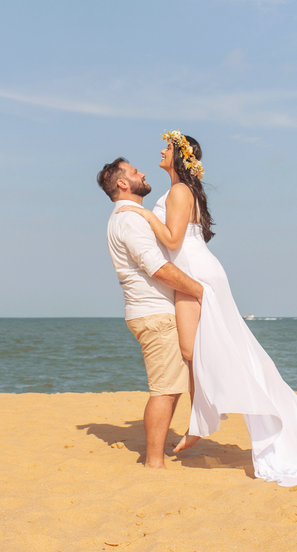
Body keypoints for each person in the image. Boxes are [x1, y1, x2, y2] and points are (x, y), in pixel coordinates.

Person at [113, 131, 297, 489]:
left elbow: (173, 241)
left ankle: (203, 420)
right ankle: (202, 419)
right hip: (197, 269)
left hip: (195, 274)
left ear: (179, 155)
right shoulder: (179, 191)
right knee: (198, 351)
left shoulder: (177, 192)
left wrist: (140, 213)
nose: (161, 150)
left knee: (197, 351)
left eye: (167, 147)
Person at [97, 156, 205, 470]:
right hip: (154, 314)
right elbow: (155, 266)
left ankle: (160, 455)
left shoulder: (130, 216)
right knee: (166, 390)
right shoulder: (128, 220)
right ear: (122, 183)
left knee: (171, 386)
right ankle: (154, 462)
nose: (142, 172)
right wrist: (199, 290)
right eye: (134, 172)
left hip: (150, 312)